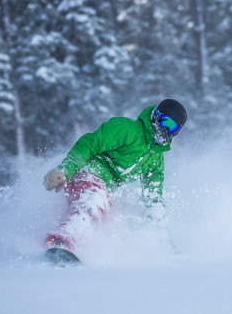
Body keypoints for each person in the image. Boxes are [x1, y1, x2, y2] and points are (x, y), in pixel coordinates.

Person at [42, 98, 187, 255]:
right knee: (93, 203)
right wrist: (64, 170)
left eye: (173, 128)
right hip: (88, 173)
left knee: (114, 225)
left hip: (104, 188)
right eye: (165, 122)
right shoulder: (127, 129)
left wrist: (164, 241)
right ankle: (60, 242)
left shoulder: (156, 158)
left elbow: (153, 198)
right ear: (156, 116)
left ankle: (83, 253)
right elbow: (90, 143)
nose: (166, 130)